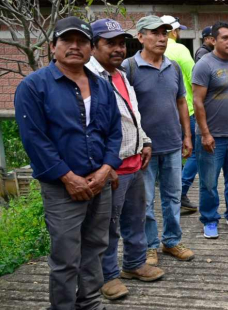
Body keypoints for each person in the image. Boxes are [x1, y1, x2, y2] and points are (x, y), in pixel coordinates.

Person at [14, 16, 122, 309]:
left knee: (96, 248)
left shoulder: (102, 86)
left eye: (82, 42)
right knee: (65, 256)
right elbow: (35, 139)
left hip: (100, 183)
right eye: (67, 41)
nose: (75, 47)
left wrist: (105, 170)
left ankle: (89, 302)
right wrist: (68, 177)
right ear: (53, 46)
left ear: (90, 47)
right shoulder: (33, 86)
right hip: (62, 188)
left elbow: (114, 131)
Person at [86, 18, 165, 300]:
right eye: (110, 43)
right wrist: (103, 165)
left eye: (121, 43)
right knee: (107, 224)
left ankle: (133, 263)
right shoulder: (89, 78)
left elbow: (133, 114)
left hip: (134, 161)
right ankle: (107, 276)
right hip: (110, 166)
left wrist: (144, 141)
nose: (118, 49)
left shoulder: (120, 74)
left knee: (135, 218)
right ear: (93, 46)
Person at [123, 15, 195, 266]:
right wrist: (138, 143)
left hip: (173, 143)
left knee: (173, 196)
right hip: (144, 149)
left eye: (164, 33)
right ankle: (150, 245)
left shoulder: (173, 66)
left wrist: (187, 135)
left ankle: (172, 241)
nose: (161, 38)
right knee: (145, 201)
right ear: (140, 37)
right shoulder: (128, 68)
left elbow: (180, 102)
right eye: (154, 33)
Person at [192, 22, 228, 238]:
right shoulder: (204, 65)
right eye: (224, 37)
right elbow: (198, 102)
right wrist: (205, 134)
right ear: (213, 40)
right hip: (211, 136)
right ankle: (209, 218)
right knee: (208, 181)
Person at [160, 15, 199, 212]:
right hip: (187, 110)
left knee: (174, 154)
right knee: (196, 151)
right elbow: (195, 77)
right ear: (174, 32)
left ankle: (171, 192)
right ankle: (180, 192)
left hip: (164, 114)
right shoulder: (179, 49)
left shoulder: (150, 51)